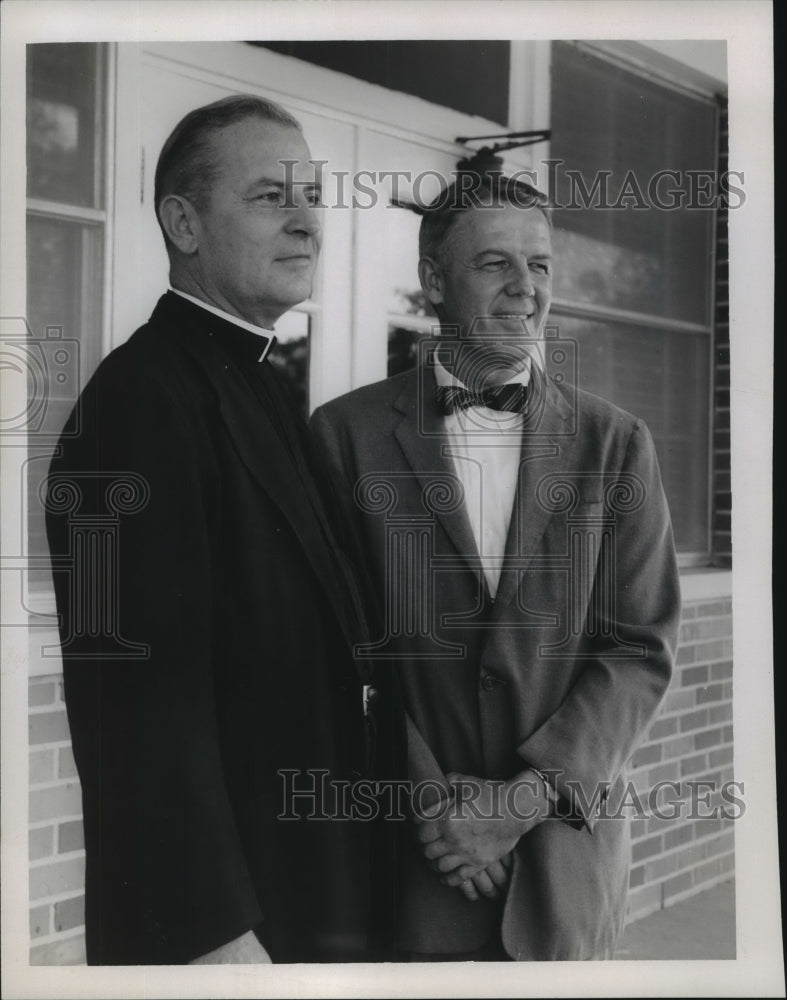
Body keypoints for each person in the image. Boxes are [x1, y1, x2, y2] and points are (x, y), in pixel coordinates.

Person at [45, 94, 396, 965]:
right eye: (272, 196)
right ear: (184, 222)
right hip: (227, 929)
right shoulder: (134, 405)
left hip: (310, 884)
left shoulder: (261, 383)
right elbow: (129, 704)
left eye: (312, 197)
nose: (309, 221)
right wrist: (213, 934)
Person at [310, 175, 681, 961]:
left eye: (540, 266)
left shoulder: (616, 444)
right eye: (494, 264)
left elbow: (639, 651)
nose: (525, 290)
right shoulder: (344, 436)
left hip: (561, 870)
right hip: (411, 862)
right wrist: (432, 803)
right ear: (435, 280)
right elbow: (332, 651)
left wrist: (517, 801)